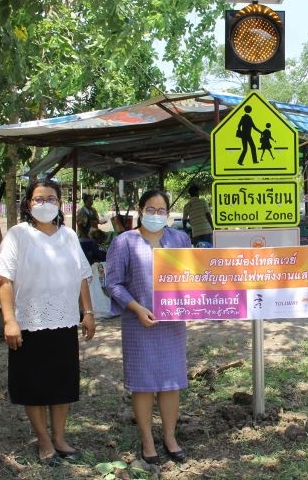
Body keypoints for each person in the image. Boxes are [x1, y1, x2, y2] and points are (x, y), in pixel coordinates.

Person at [0, 179, 96, 465]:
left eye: (51, 199)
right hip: (28, 323)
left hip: (63, 322)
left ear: (60, 204)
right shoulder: (17, 235)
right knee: (34, 384)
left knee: (61, 382)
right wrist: (10, 321)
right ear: (28, 204)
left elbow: (82, 277)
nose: (45, 204)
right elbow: (4, 280)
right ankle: (43, 439)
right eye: (39, 199)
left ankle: (60, 438)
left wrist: (87, 312)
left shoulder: (69, 236)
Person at [106, 189, 192, 465]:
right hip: (138, 323)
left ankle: (169, 436)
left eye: (162, 210)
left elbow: (193, 276)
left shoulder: (180, 239)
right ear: (141, 210)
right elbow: (113, 283)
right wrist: (136, 308)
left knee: (171, 383)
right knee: (143, 385)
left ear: (168, 213)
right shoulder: (124, 242)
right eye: (151, 209)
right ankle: (146, 440)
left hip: (172, 324)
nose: (156, 215)